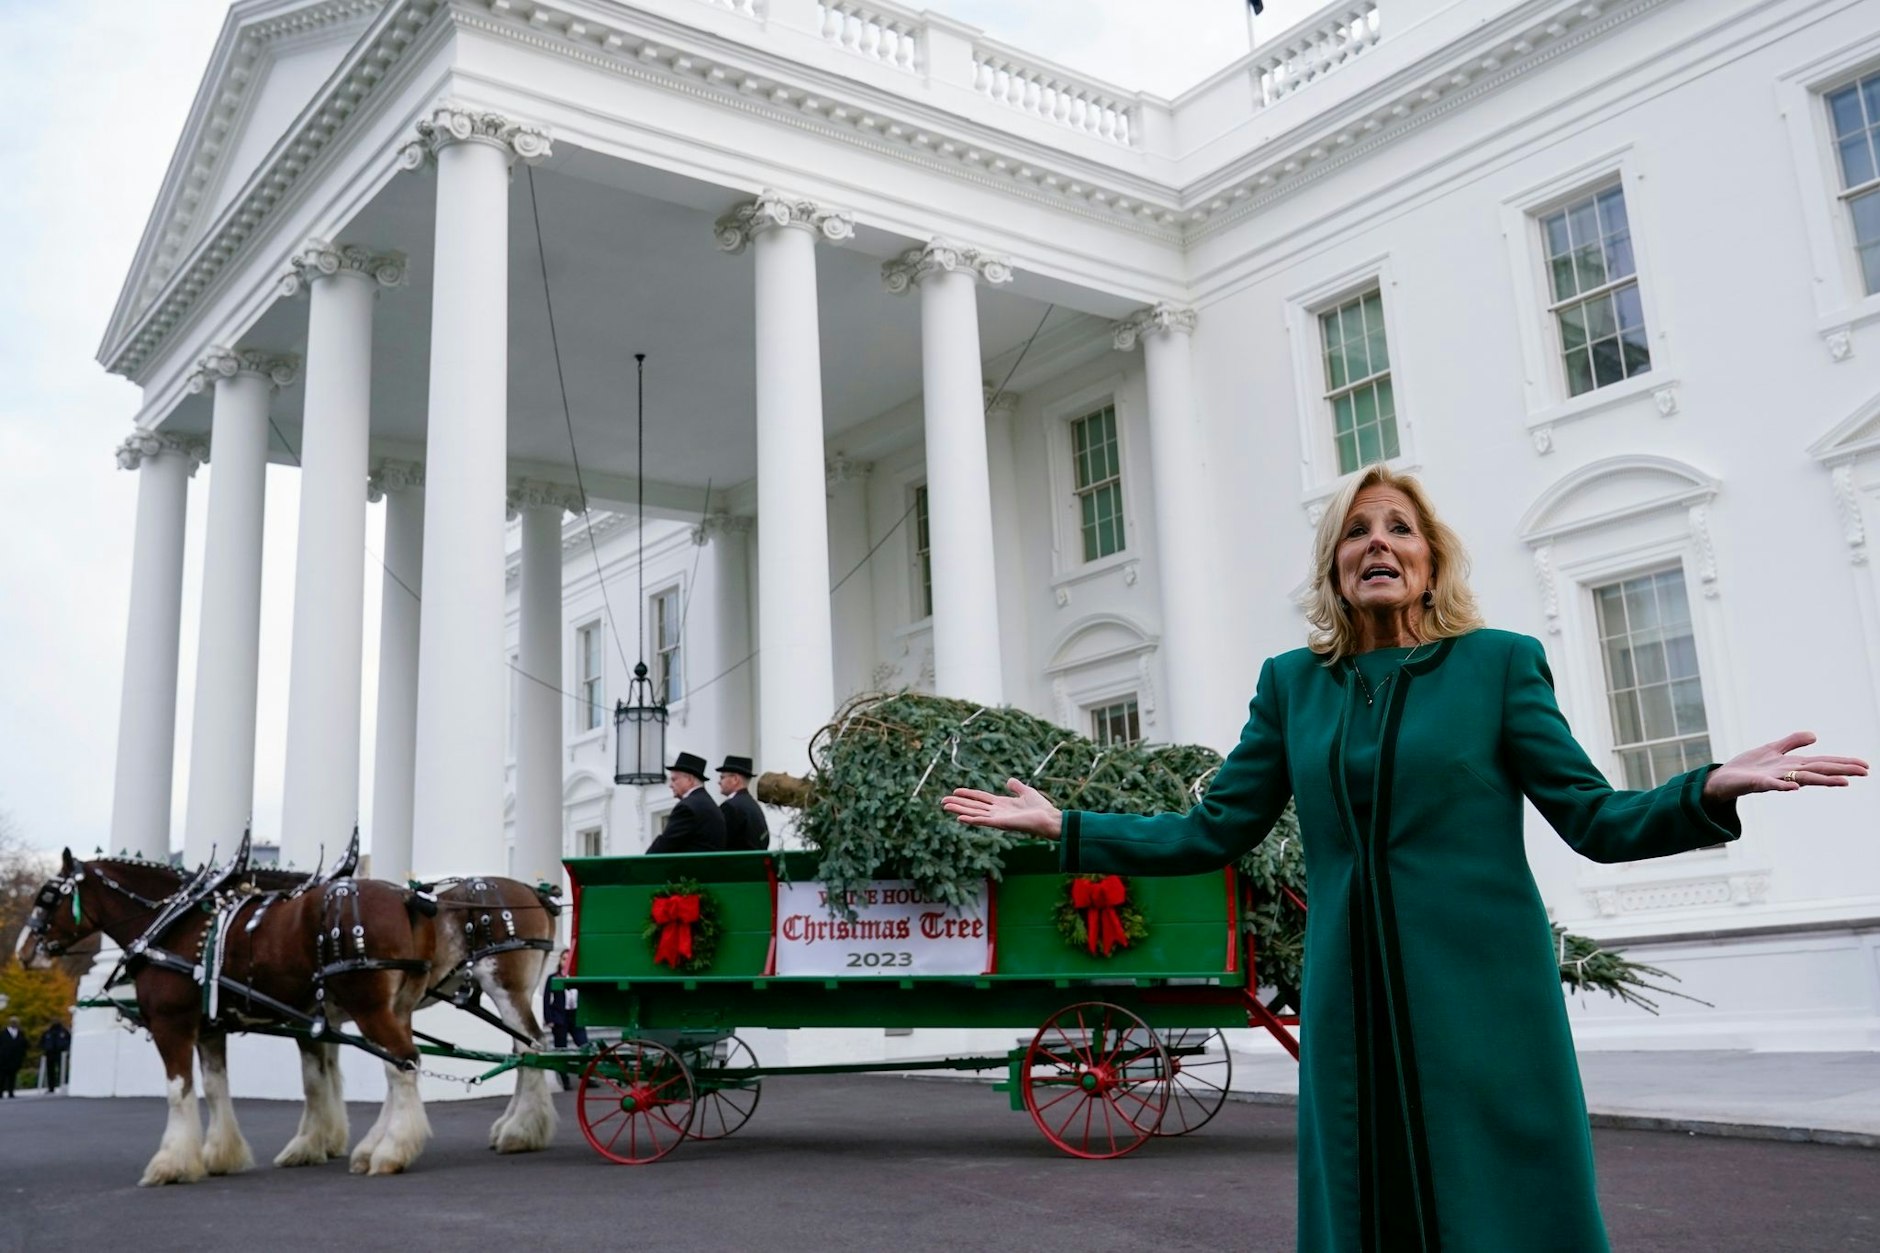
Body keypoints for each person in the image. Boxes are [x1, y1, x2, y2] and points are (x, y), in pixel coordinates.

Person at [943, 463, 1867, 1253]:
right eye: (1356, 531)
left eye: (1400, 529)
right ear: (1334, 567)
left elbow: (1595, 817)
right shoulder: (1293, 685)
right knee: (1365, 1183)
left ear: (1431, 561)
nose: (1378, 543)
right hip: (1349, 997)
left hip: (1483, 991)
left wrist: (1708, 786)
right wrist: (1063, 824)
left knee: (1498, 1192)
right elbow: (1212, 830)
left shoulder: (1499, 665)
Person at [647, 751, 727, 854]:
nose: (671, 785)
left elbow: (666, 843)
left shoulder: (687, 807)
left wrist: (641, 864)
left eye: (674, 780)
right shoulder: (708, 803)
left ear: (689, 779)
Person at [542, 949, 588, 1090]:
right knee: (561, 1049)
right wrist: (549, 1018)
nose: (565, 962)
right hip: (560, 1017)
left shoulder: (577, 976)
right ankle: (565, 1079)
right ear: (560, 961)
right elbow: (546, 999)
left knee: (584, 1046)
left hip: (575, 1016)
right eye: (563, 959)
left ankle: (585, 1076)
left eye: (568, 959)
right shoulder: (553, 978)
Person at [717, 754, 770, 851]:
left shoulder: (730, 806)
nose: (719, 782)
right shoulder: (753, 804)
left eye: (722, 777)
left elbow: (720, 841)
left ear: (735, 779)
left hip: (736, 864)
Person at [37, 1020, 70, 1094]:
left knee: (63, 1070)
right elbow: (41, 1042)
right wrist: (45, 1048)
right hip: (50, 1053)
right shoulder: (47, 1033)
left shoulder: (64, 1032)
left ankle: (63, 1086)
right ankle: (51, 1087)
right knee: (50, 1071)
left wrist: (65, 1048)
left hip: (61, 1053)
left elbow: (69, 1040)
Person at [0, 1018, 25, 1098]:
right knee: (2, 1077)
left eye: (16, 1022)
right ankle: (0, 1092)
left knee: (12, 1076)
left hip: (15, 1059)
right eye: (13, 1022)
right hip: (3, 1059)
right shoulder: (3, 1033)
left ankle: (11, 1092)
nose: (14, 1024)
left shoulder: (20, 1034)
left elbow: (24, 1045)